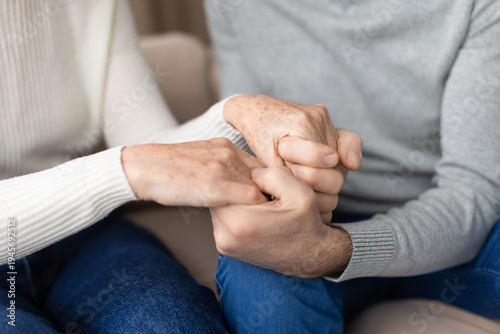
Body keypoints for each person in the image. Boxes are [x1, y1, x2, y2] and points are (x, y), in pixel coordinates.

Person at [0, 0, 362, 333]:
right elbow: (139, 161)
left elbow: (148, 139)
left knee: (174, 322)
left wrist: (238, 114)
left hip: (83, 233)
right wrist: (126, 169)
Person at [204, 0, 500, 332]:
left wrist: (335, 250)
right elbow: (248, 150)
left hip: (455, 238)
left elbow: (472, 191)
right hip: (314, 221)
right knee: (256, 268)